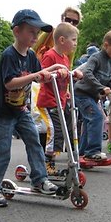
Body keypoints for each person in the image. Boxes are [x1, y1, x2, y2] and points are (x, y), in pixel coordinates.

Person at [0, 9, 63, 207]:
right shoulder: (9, 55)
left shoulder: (31, 56)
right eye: (31, 32)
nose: (35, 36)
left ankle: (39, 179)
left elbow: (40, 73)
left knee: (35, 142)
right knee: (1, 152)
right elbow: (10, 83)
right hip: (2, 112)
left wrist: (58, 72)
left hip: (21, 110)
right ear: (17, 31)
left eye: (37, 33)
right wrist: (36, 76)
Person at [37, 22, 82, 174]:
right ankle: (47, 161)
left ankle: (56, 159)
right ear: (62, 40)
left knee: (64, 129)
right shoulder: (50, 55)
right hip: (48, 100)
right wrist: (56, 71)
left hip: (60, 100)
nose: (76, 44)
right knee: (54, 129)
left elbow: (65, 75)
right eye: (74, 40)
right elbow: (41, 75)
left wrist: (73, 75)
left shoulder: (65, 58)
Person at [74, 30, 111, 161]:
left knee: (88, 121)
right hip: (82, 94)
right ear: (106, 45)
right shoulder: (95, 57)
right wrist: (101, 87)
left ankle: (82, 152)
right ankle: (93, 151)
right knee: (96, 117)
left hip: (93, 96)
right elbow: (87, 74)